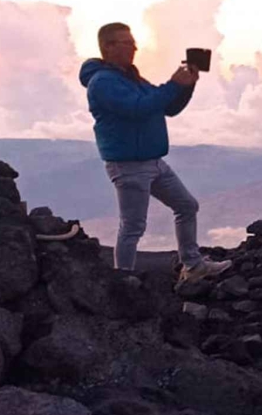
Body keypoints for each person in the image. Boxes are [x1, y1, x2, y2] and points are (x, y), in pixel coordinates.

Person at [79, 23, 232, 282]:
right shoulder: (103, 82)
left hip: (152, 160)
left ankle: (193, 266)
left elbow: (167, 107)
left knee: (186, 206)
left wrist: (186, 86)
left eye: (133, 42)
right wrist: (174, 84)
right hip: (128, 165)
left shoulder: (131, 78)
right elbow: (138, 107)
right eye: (127, 43)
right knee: (133, 226)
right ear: (108, 46)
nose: (134, 48)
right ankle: (123, 282)